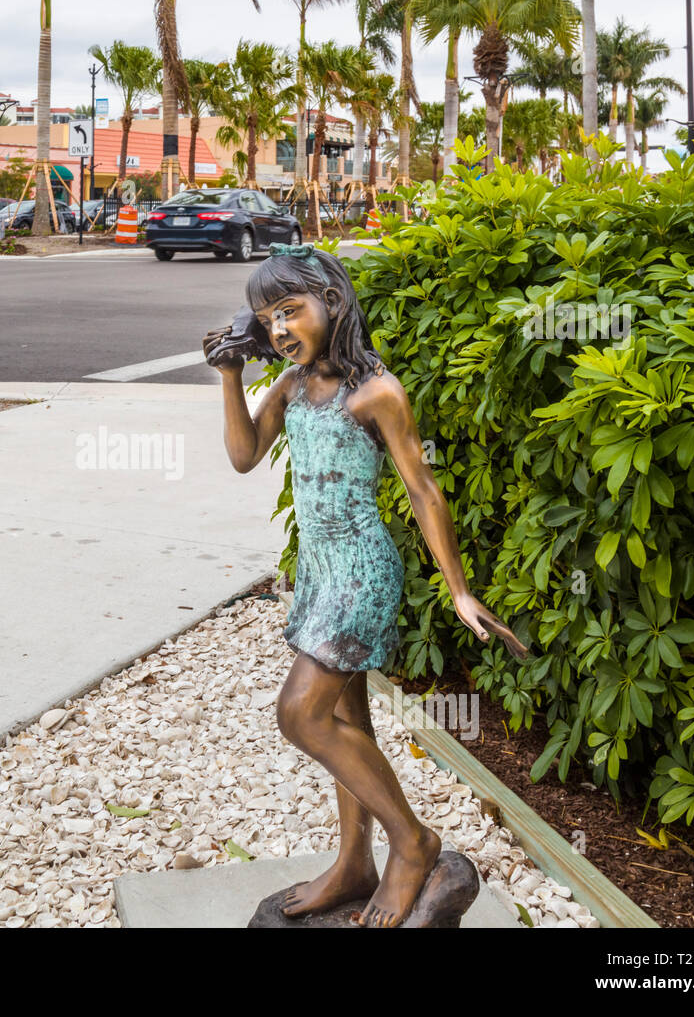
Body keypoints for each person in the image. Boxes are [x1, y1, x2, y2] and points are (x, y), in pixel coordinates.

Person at [202, 243, 529, 928]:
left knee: (301, 713)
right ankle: (355, 860)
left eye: (290, 310)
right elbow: (241, 455)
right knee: (348, 719)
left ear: (334, 301)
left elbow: (423, 488)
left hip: (362, 573)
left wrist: (460, 589)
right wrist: (231, 371)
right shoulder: (292, 385)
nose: (281, 328)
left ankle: (413, 842)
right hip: (321, 574)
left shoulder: (374, 390)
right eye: (268, 318)